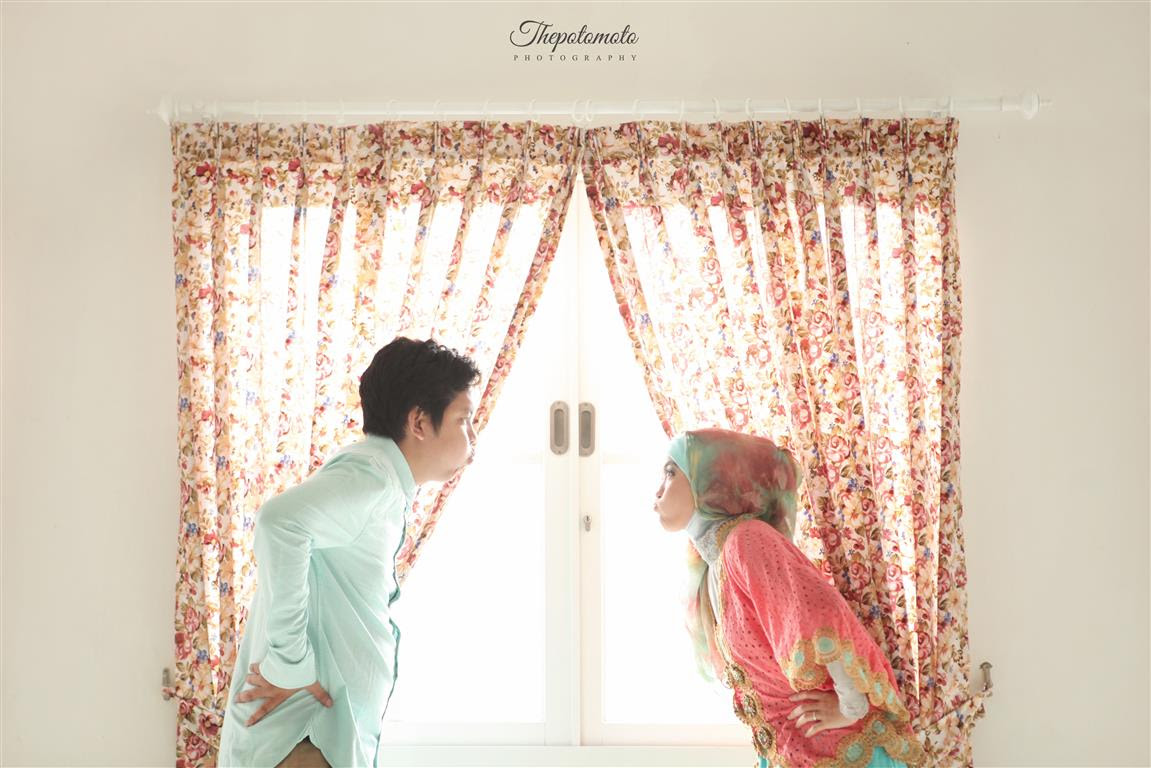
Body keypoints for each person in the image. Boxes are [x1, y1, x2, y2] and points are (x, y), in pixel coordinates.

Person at [218, 338, 480, 767]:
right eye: (464, 420)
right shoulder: (372, 478)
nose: (472, 437)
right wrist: (290, 665)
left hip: (319, 734)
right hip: (307, 736)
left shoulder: (380, 478)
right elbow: (280, 522)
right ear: (419, 421)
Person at [652, 428, 925, 768]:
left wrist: (850, 705)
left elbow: (818, 612)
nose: (658, 491)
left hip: (844, 753)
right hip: (797, 753)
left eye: (671, 472)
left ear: (710, 480)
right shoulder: (713, 566)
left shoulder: (745, 540)